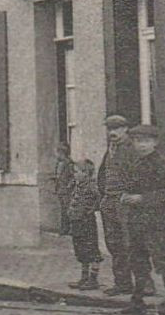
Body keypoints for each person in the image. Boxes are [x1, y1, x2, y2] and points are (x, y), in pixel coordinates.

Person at [119, 125, 165, 315]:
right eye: (137, 141)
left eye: (145, 141)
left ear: (155, 142)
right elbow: (130, 185)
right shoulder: (135, 162)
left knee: (162, 259)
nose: (141, 145)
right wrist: (125, 196)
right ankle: (138, 301)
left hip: (155, 221)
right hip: (136, 220)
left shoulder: (161, 163)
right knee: (137, 259)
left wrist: (142, 199)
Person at [96, 115, 139, 297]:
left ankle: (145, 285)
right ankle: (122, 283)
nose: (112, 132)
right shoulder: (111, 149)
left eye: (116, 128)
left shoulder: (132, 149)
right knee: (114, 244)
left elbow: (139, 175)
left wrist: (130, 194)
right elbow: (103, 173)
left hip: (124, 201)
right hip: (109, 200)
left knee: (132, 243)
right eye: (109, 128)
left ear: (125, 129)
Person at [65, 155, 103, 291]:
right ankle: (84, 277)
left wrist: (90, 210)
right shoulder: (78, 186)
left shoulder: (91, 186)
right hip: (77, 222)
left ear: (86, 174)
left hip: (86, 222)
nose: (74, 174)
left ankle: (93, 279)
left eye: (77, 172)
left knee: (91, 250)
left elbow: (99, 199)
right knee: (81, 250)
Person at [50, 144, 77, 236]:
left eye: (58, 153)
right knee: (63, 210)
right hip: (60, 189)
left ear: (62, 153)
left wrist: (69, 186)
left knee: (68, 210)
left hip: (67, 191)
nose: (56, 155)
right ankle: (64, 229)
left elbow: (74, 177)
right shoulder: (59, 164)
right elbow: (59, 176)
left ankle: (69, 229)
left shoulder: (69, 163)